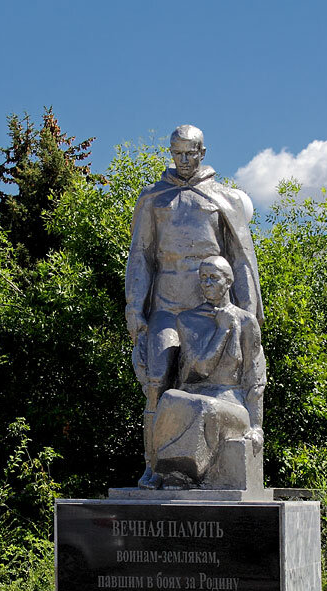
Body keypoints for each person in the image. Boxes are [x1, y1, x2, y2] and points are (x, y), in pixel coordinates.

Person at [125, 124, 263, 488]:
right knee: (157, 379)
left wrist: (248, 311)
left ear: (203, 152)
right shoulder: (153, 198)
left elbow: (240, 258)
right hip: (168, 306)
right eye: (177, 153)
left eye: (191, 153)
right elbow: (140, 256)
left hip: (210, 307)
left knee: (211, 383)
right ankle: (155, 467)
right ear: (170, 152)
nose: (184, 160)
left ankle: (206, 467)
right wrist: (134, 307)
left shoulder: (223, 197)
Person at [151, 256, 265, 489]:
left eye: (214, 278)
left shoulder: (246, 322)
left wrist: (256, 426)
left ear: (228, 282)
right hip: (195, 394)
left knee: (207, 408)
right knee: (170, 399)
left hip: (233, 404)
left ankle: (185, 474)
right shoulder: (188, 319)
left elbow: (254, 378)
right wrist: (222, 330)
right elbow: (201, 368)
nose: (207, 283)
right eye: (203, 278)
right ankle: (168, 470)